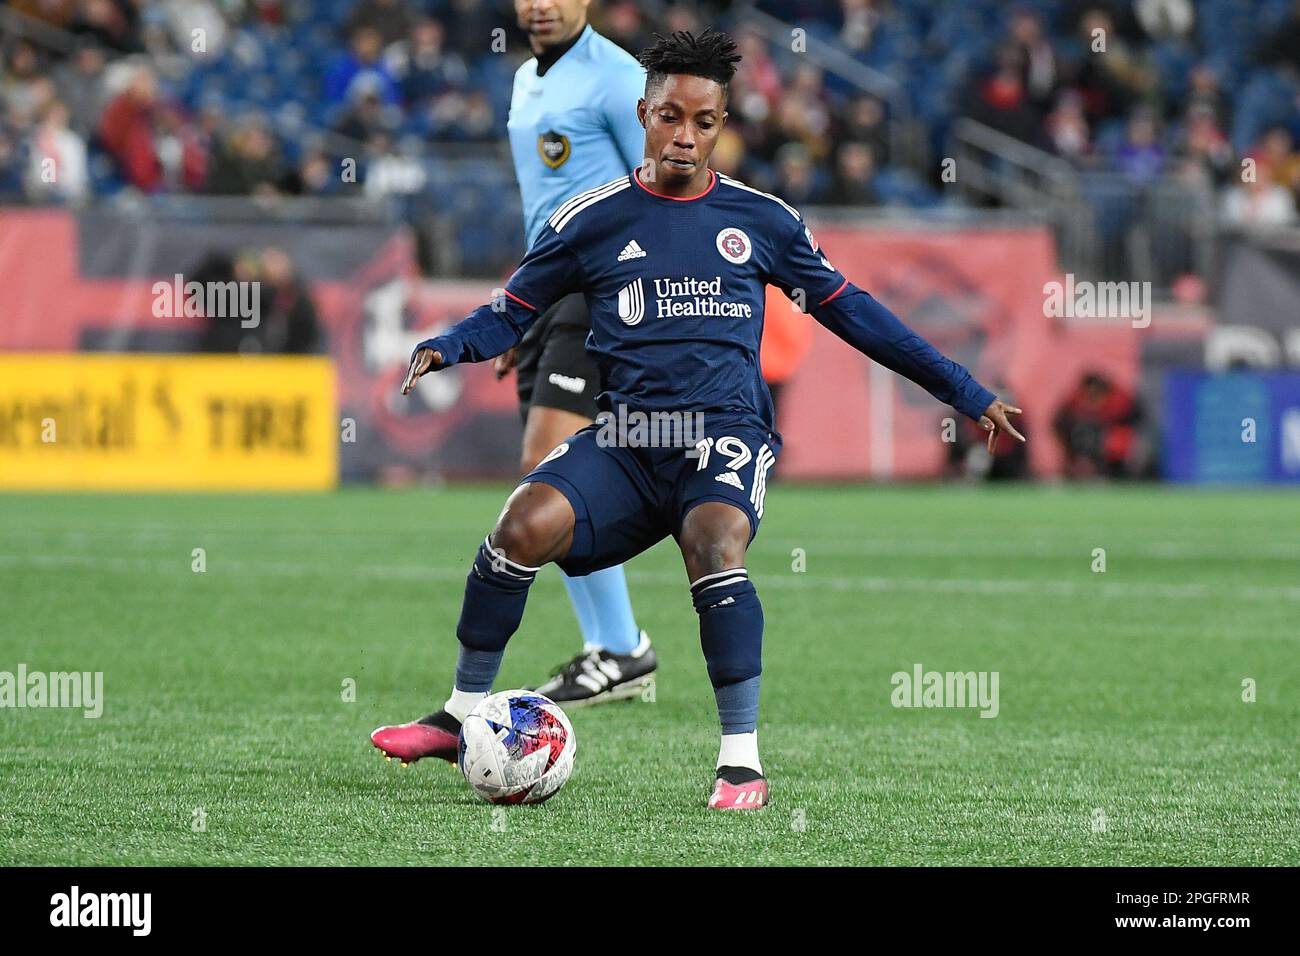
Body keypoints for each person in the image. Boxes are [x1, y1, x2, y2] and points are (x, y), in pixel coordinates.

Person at [371, 30, 1023, 809]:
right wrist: (447, 346)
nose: (685, 135)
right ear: (643, 113)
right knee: (519, 525)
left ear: (722, 125)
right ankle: (460, 712)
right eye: (671, 116)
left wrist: (962, 388)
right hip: (628, 440)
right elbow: (510, 311)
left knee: (713, 542)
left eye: (704, 121)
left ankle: (740, 760)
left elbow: (857, 315)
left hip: (724, 435)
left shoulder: (765, 221)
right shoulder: (591, 219)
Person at [490, 0, 657, 705]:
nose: (539, 3)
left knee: (548, 467)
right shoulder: (526, 79)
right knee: (551, 475)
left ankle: (622, 648)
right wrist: (519, 305)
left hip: (603, 290)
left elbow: (657, 183)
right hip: (548, 291)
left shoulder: (618, 77)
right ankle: (613, 649)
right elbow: (545, 202)